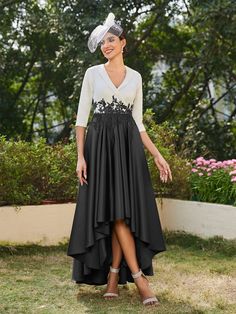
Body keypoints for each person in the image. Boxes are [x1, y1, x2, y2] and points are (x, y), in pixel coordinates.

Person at [67, 12, 172, 307]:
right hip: (98, 148)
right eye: (103, 41)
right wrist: (80, 158)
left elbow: (139, 124)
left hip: (127, 149)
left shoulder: (137, 78)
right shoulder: (92, 74)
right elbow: (80, 121)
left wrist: (158, 155)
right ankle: (139, 279)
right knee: (113, 214)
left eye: (111, 40)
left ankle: (114, 276)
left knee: (121, 214)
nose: (106, 45)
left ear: (123, 43)